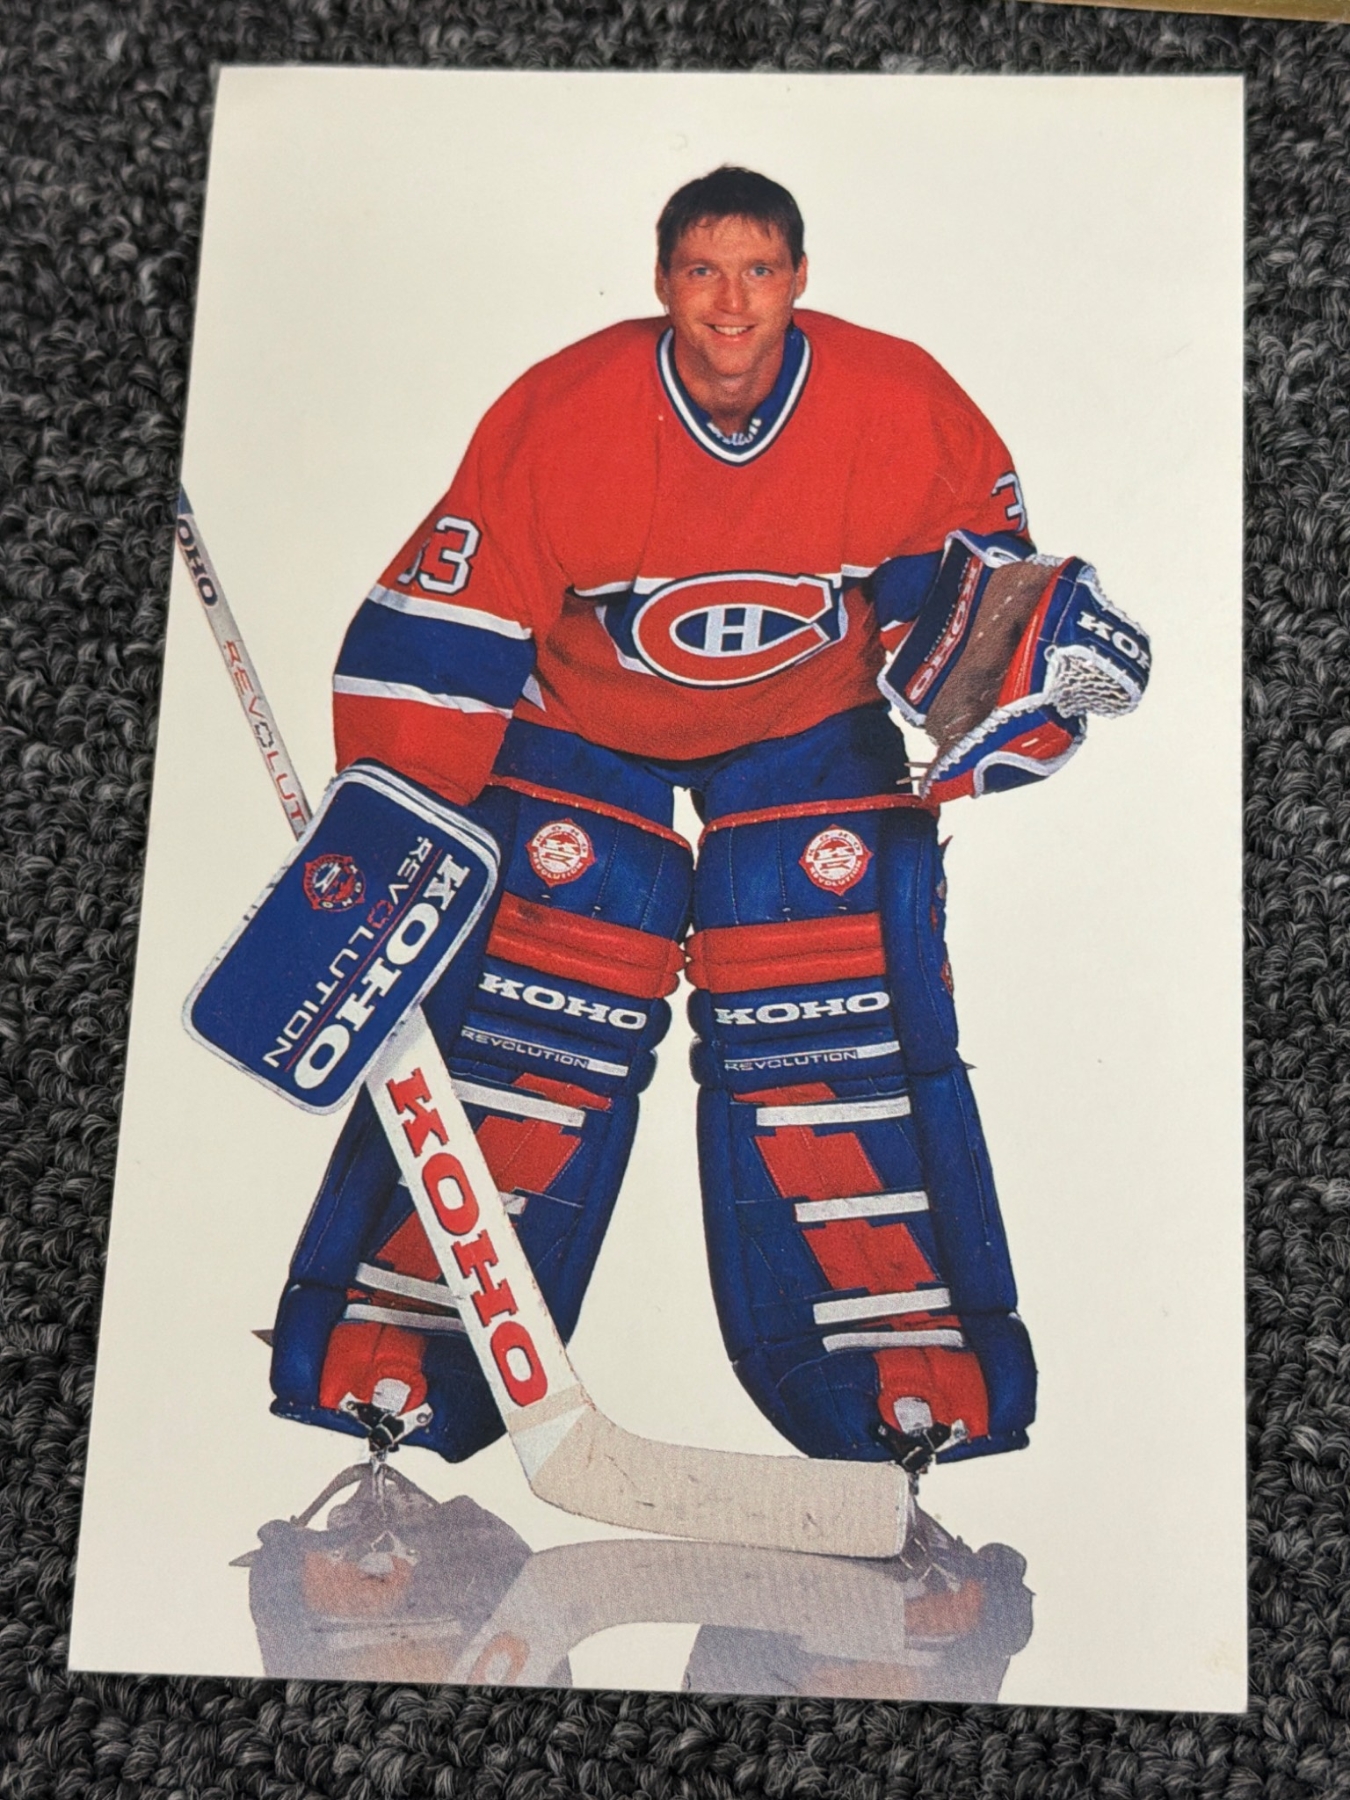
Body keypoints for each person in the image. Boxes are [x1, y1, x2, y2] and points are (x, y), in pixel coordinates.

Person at [269, 167, 1146, 1478]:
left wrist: (1014, 664)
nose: (730, 302)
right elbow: (459, 616)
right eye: (702, 271)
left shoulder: (896, 399)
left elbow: (954, 595)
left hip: (808, 714)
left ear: (797, 279)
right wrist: (387, 844)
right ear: (663, 281)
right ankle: (394, 1354)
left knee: (827, 972)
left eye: (757, 271)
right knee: (544, 973)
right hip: (581, 713)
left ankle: (901, 1376)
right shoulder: (566, 410)